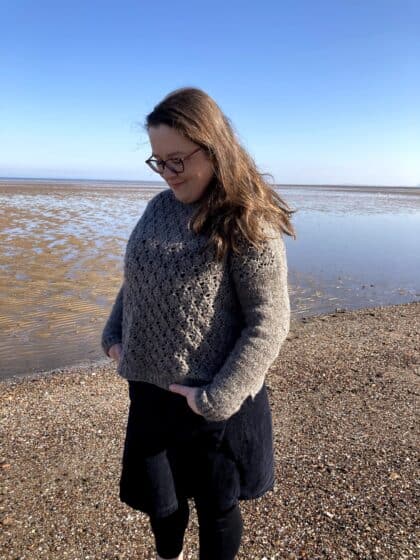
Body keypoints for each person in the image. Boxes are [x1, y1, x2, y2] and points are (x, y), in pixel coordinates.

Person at [101, 86, 296, 560]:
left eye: (177, 160)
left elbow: (270, 322)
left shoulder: (248, 219)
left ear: (212, 147)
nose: (167, 174)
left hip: (214, 402)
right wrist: (114, 333)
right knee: (162, 505)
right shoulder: (159, 208)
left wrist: (218, 398)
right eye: (157, 161)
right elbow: (139, 278)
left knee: (217, 508)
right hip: (149, 393)